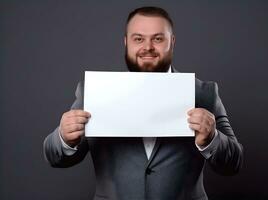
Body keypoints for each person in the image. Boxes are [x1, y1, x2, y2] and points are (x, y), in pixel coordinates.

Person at [43, 6, 243, 200]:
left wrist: (211, 139)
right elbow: (55, 157)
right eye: (138, 38)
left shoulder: (204, 93)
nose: (147, 47)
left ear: (172, 42)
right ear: (126, 42)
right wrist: (64, 137)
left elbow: (234, 163)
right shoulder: (95, 91)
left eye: (158, 38)